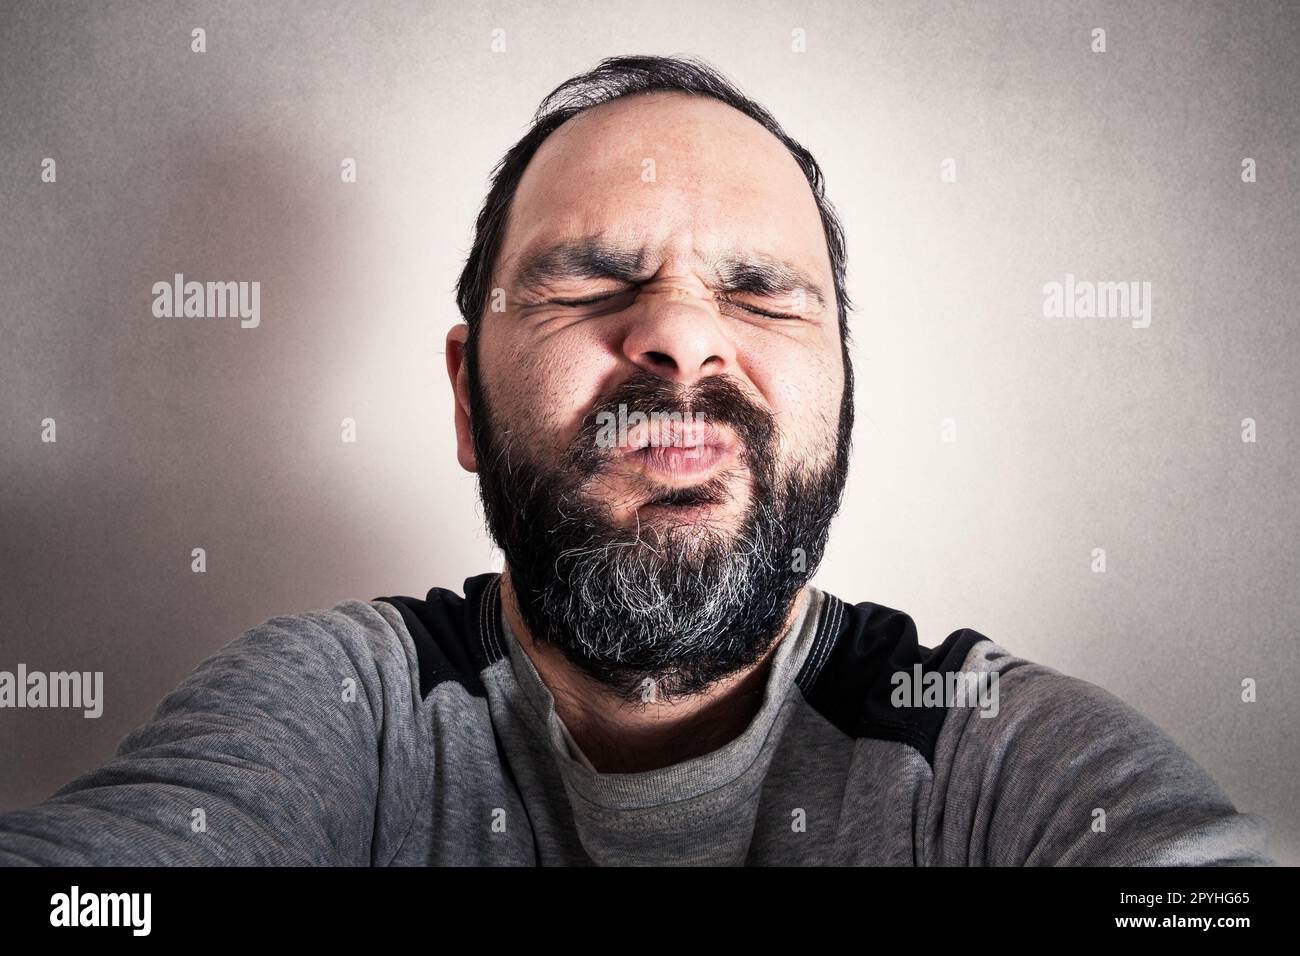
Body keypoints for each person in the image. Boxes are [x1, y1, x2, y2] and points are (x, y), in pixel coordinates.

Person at [0, 54, 1272, 866]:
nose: (676, 334)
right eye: (593, 279)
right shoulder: (346, 705)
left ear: (845, 398)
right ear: (464, 393)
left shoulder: (981, 751)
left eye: (762, 292)